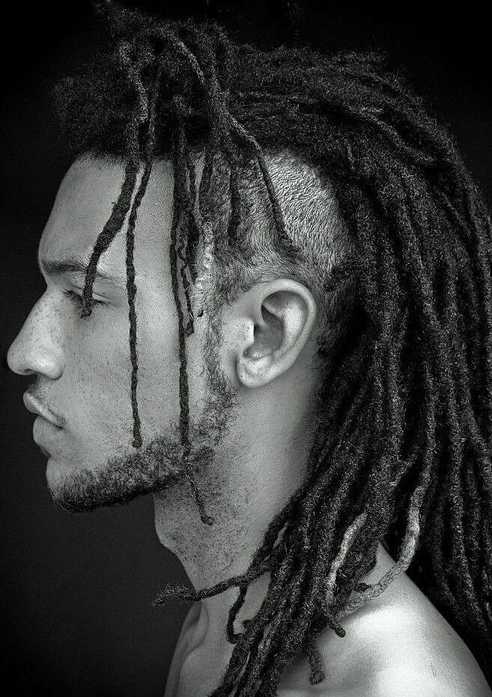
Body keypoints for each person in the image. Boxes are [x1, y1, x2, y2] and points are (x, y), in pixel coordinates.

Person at [6, 2, 492, 695]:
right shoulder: (225, 622)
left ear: (265, 335)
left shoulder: (394, 684)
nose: (27, 351)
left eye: (87, 298)